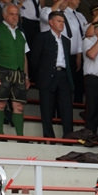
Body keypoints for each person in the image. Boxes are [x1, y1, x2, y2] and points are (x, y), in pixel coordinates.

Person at [0, 3, 29, 136]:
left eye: (17, 14)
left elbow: (24, 57)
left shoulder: (21, 33)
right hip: (3, 71)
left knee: (19, 106)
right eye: (12, 14)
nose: (15, 17)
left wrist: (26, 76)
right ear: (4, 15)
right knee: (0, 103)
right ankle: (0, 135)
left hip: (19, 73)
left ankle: (20, 136)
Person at [31, 10, 73, 138]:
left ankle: (68, 135)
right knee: (47, 107)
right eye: (59, 21)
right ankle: (49, 137)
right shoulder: (42, 37)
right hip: (47, 75)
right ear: (51, 22)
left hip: (63, 75)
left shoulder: (66, 41)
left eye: (63, 22)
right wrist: (38, 77)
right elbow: (34, 59)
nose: (62, 24)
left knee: (66, 107)